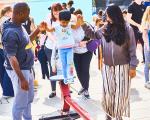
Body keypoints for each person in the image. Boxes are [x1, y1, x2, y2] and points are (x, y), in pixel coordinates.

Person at [78, 4, 138, 120]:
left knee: (121, 93)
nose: (107, 17)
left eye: (108, 15)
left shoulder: (127, 29)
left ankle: (118, 116)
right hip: (107, 67)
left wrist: (133, 67)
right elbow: (94, 35)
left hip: (123, 66)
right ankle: (109, 116)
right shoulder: (105, 27)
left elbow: (132, 49)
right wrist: (83, 24)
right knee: (108, 93)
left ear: (115, 15)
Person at [2, 2, 46, 120]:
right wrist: (22, 79)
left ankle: (28, 118)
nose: (28, 17)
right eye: (27, 14)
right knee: (20, 101)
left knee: (28, 98)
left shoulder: (19, 25)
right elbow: (12, 58)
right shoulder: (10, 33)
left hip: (26, 67)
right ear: (20, 13)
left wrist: (38, 30)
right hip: (19, 70)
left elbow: (26, 42)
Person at [46, 10, 80, 84]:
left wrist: (79, 19)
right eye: (63, 22)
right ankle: (65, 78)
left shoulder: (70, 25)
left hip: (69, 49)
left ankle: (70, 77)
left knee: (70, 63)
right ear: (59, 20)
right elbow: (49, 30)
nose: (65, 24)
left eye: (67, 22)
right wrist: (45, 27)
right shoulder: (56, 27)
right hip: (61, 49)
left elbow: (77, 25)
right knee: (64, 64)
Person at [73, 9, 93, 99]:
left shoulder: (86, 24)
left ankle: (86, 89)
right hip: (75, 52)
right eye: (76, 17)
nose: (78, 19)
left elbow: (93, 35)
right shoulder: (71, 27)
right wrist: (77, 44)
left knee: (85, 70)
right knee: (78, 71)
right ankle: (83, 86)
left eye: (79, 17)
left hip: (86, 51)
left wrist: (85, 41)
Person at [45, 3, 63, 98]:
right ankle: (53, 90)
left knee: (63, 68)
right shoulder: (49, 18)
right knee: (53, 68)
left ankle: (65, 88)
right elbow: (48, 32)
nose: (56, 12)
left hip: (62, 47)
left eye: (58, 10)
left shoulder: (64, 17)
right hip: (50, 47)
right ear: (51, 11)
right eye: (54, 10)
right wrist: (55, 41)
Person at [0, 6, 14, 99]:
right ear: (8, 12)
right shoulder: (6, 20)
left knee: (2, 70)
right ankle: (8, 91)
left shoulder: (1, 19)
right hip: (3, 47)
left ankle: (5, 91)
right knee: (7, 69)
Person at [141, 6, 150, 89]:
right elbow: (144, 35)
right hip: (148, 46)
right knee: (147, 64)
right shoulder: (146, 22)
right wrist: (148, 46)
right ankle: (147, 81)